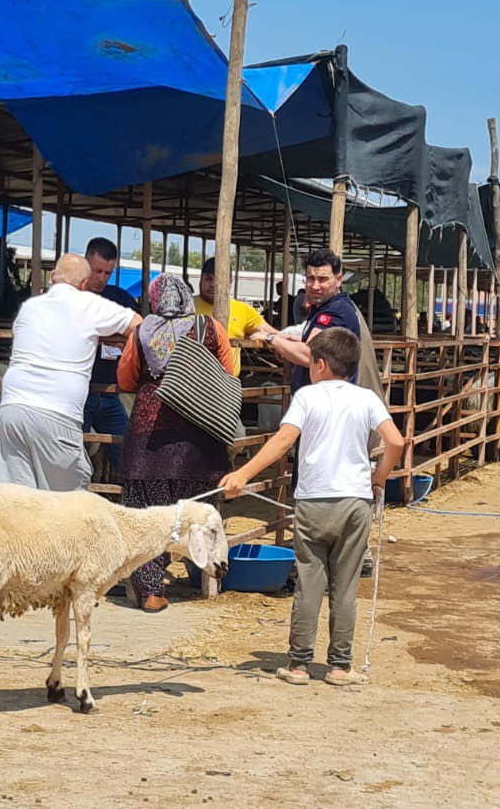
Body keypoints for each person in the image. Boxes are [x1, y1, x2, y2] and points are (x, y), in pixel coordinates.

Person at [222, 327, 405, 686]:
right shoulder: (367, 398)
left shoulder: (307, 397)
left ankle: (298, 665)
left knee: (309, 582)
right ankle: (340, 666)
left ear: (320, 364)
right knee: (345, 586)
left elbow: (283, 440)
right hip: (354, 502)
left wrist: (243, 473)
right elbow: (395, 441)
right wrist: (379, 477)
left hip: (313, 502)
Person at [116, 273, 234, 612]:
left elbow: (126, 379)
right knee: (197, 509)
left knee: (147, 515)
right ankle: (207, 575)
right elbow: (228, 372)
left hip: (149, 434)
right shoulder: (209, 327)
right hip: (199, 434)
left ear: (155, 300)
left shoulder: (142, 331)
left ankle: (152, 591)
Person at [0, 254, 141, 491]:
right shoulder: (90, 305)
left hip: (13, 409)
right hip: (57, 411)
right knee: (68, 500)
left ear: (52, 277)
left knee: (16, 496)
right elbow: (139, 325)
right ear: (84, 285)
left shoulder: (29, 307)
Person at [253, 250, 363, 392]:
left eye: (322, 279)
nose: (315, 286)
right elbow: (316, 340)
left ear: (338, 280)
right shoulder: (325, 306)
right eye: (310, 278)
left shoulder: (336, 312)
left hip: (327, 400)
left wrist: (272, 338)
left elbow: (310, 354)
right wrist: (284, 339)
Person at [81, 237, 138, 474]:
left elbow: (138, 331)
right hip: (80, 392)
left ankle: (131, 491)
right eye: (97, 271)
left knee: (126, 452)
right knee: (76, 455)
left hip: (111, 392)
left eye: (108, 272)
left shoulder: (120, 299)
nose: (102, 278)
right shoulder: (73, 299)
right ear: (85, 264)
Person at [196, 256, 270, 378]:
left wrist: (271, 338)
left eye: (219, 279)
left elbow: (270, 332)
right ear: (201, 279)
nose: (213, 284)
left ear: (230, 282)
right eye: (208, 279)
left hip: (228, 383)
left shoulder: (243, 310)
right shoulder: (186, 307)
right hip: (192, 382)